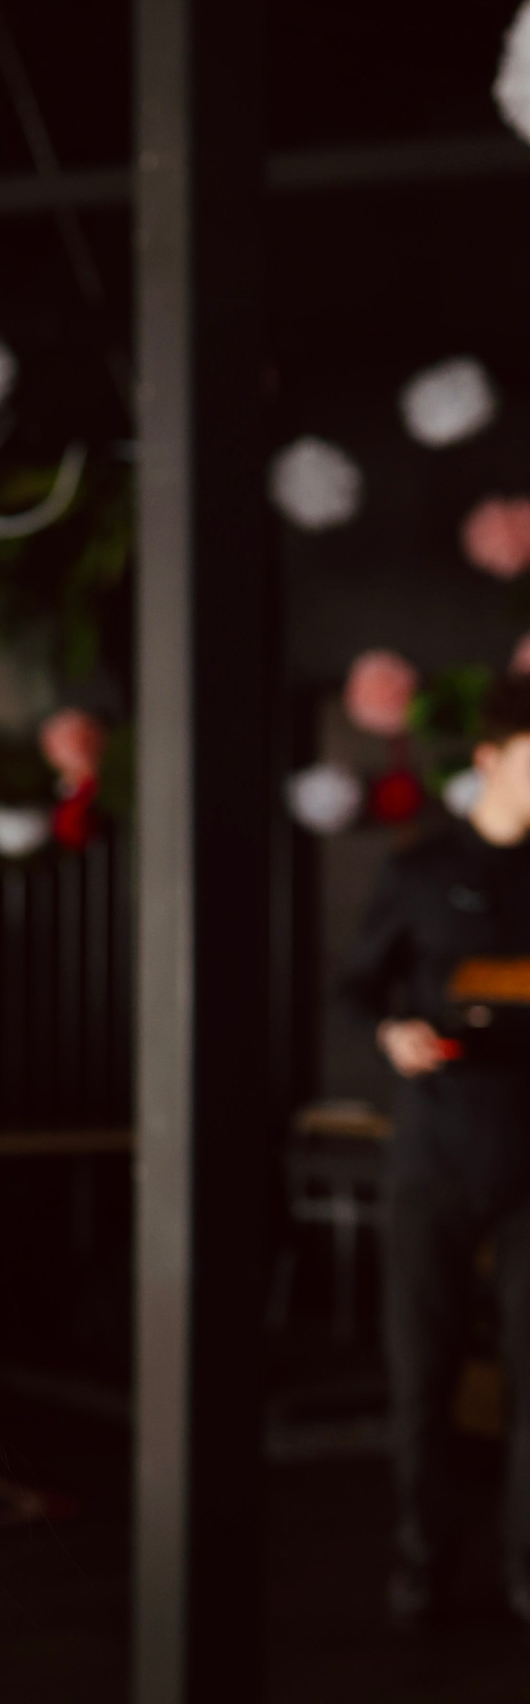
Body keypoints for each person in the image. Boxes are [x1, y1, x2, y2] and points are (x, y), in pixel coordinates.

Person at [342, 669, 530, 1629]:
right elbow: (356, 989)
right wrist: (393, 1035)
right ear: (492, 757)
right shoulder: (422, 868)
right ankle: (420, 1560)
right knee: (424, 1374)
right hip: (435, 1155)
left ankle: (525, 1571)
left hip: (529, 1158)